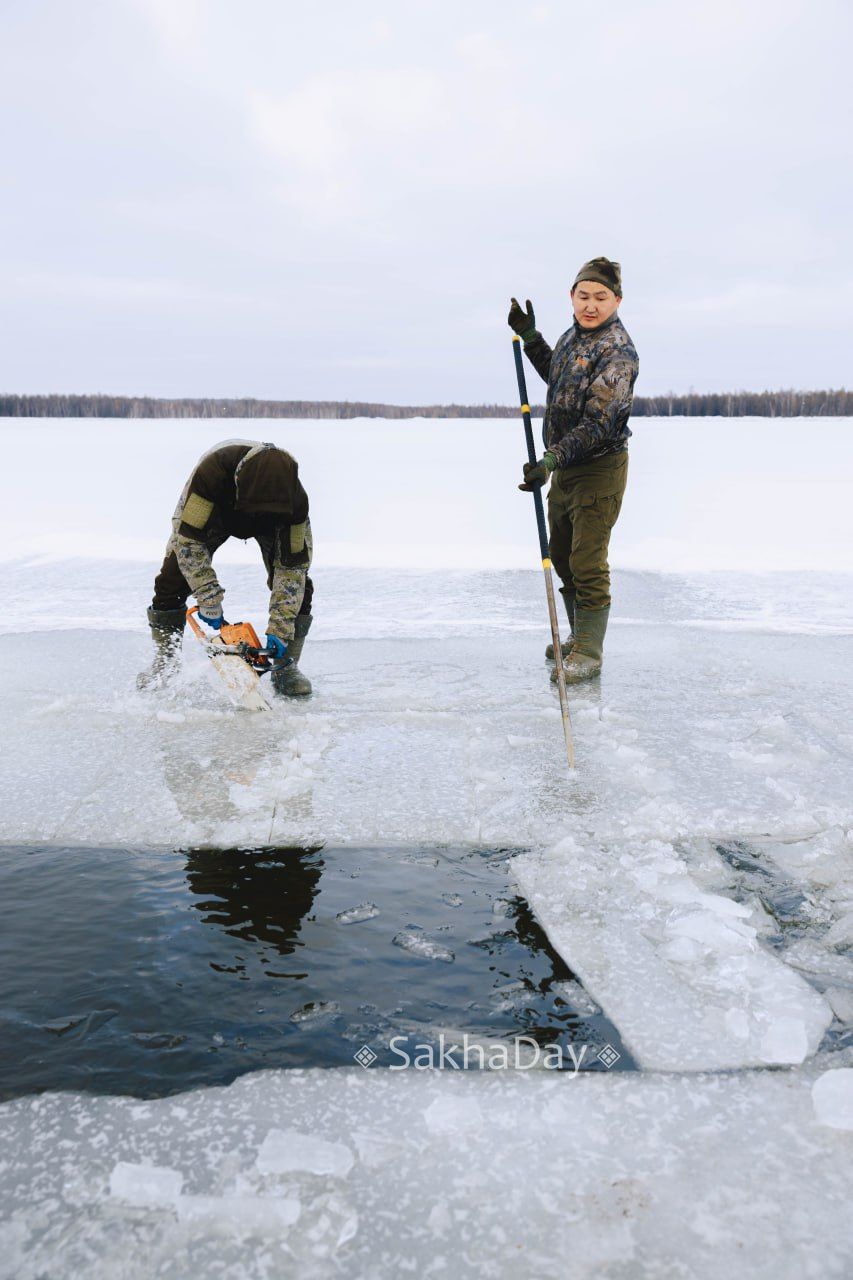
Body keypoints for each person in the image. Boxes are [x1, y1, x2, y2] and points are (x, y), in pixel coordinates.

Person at [508, 257, 639, 683]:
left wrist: (550, 460)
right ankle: (578, 635)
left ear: (616, 300)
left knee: (587, 560)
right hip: (565, 466)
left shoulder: (618, 353)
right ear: (572, 297)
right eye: (584, 295)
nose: (591, 304)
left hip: (598, 468)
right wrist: (531, 338)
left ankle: (590, 651)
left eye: (600, 297)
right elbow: (559, 378)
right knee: (563, 554)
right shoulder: (572, 337)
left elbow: (598, 423)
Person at [138, 439, 314, 697]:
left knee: (302, 590)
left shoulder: (295, 502)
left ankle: (286, 668)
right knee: (171, 580)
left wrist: (281, 631)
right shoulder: (212, 475)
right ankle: (165, 663)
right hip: (217, 512)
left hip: (277, 524)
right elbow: (188, 542)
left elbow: (292, 572)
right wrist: (207, 595)